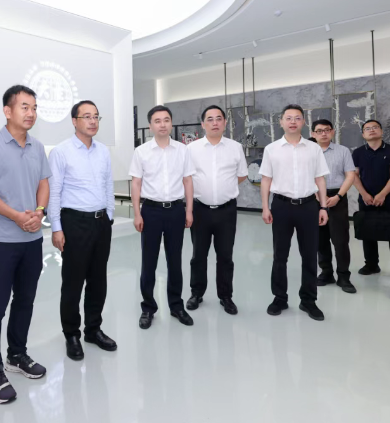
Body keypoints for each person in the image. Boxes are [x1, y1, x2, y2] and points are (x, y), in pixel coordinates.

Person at [0, 85, 51, 404]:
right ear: (8, 111)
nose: (31, 113)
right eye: (24, 107)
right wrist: (17, 216)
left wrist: (39, 212)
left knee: (25, 300)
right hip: (1, 241)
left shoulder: (37, 146)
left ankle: (16, 355)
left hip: (32, 239)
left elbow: (44, 183)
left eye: (34, 107)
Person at [48, 100, 117, 360]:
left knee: (98, 280)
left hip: (101, 223)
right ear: (74, 121)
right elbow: (54, 193)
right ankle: (71, 334)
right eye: (86, 116)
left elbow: (108, 185)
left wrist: (109, 216)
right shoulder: (61, 152)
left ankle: (93, 329)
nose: (92, 121)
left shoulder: (103, 151)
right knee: (73, 282)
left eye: (96, 116)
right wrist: (56, 228)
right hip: (74, 223)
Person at [260, 104, 330, 321]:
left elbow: (320, 179)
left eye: (297, 118)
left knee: (309, 255)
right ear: (281, 122)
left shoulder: (314, 149)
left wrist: (323, 207)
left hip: (309, 206)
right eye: (288, 118)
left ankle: (308, 300)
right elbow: (266, 180)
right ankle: (279, 298)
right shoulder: (271, 149)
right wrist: (265, 206)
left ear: (303, 122)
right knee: (280, 255)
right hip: (281, 206)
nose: (293, 122)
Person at [129, 105, 196, 330]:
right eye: (157, 121)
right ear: (150, 126)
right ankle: (148, 308)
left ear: (171, 123)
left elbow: (188, 181)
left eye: (166, 120)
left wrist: (188, 210)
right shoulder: (141, 152)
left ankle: (176, 306)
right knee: (149, 262)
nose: (162, 124)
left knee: (175, 261)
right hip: (151, 211)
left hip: (176, 210)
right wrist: (137, 213)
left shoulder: (182, 150)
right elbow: (136, 183)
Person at [186, 105, 248, 315]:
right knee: (198, 255)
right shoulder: (191, 149)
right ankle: (196, 293)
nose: (215, 123)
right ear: (202, 124)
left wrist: (223, 187)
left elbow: (241, 175)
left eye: (219, 118)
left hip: (226, 211)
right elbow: (186, 177)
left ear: (225, 123)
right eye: (210, 119)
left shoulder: (235, 147)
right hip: (200, 210)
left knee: (225, 256)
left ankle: (226, 296)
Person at [312, 119, 357, 293]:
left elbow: (350, 175)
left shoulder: (343, 151)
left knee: (340, 240)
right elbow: (305, 175)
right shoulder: (309, 152)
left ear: (332, 132)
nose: (323, 133)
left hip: (337, 197)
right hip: (315, 197)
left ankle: (344, 276)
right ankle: (326, 272)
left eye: (327, 130)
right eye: (319, 131)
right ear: (313, 134)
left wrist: (339, 196)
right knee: (320, 239)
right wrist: (318, 195)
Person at [351, 119, 390, 276]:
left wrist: (383, 194)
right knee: (367, 232)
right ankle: (371, 265)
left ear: (381, 131)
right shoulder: (358, 152)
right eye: (367, 128)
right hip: (366, 199)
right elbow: (354, 175)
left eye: (375, 127)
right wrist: (364, 194)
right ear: (363, 134)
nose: (371, 130)